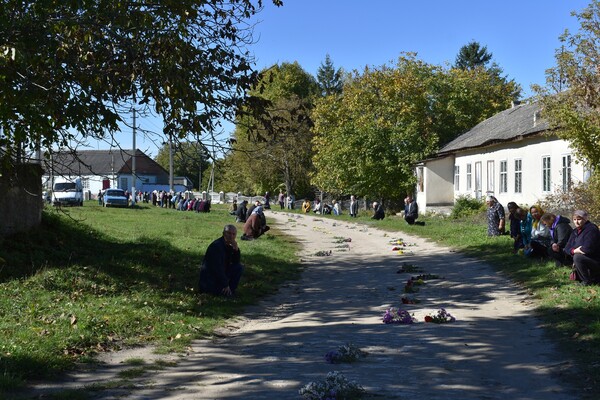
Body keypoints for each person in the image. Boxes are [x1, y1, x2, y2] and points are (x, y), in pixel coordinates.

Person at [198, 224, 244, 296]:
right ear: (223, 233)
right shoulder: (217, 246)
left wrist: (236, 250)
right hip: (210, 280)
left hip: (220, 275)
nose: (231, 236)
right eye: (229, 233)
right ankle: (225, 292)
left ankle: (230, 291)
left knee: (238, 267)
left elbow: (235, 262)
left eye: (233, 234)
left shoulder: (229, 244)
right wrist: (225, 284)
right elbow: (217, 269)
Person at [564, 210, 600, 285]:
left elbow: (587, 249)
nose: (576, 222)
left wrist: (575, 251)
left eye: (579, 219)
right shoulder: (575, 231)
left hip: (595, 260)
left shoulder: (592, 230)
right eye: (574, 219)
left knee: (578, 257)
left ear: (585, 219)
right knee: (576, 255)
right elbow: (567, 248)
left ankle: (586, 281)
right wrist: (574, 250)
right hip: (585, 260)